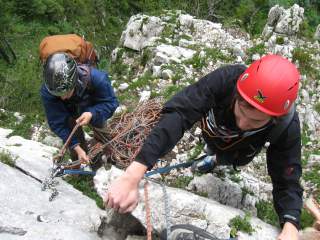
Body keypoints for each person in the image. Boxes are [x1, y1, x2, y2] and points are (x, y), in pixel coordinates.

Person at [105, 54, 303, 240]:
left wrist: (291, 224)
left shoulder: (286, 127)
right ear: (237, 92)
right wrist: (132, 175)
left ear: (275, 118)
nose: (242, 123)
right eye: (241, 111)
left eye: (254, 121)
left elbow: (287, 177)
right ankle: (212, 155)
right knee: (213, 146)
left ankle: (216, 159)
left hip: (241, 151)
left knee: (231, 158)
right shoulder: (225, 80)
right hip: (213, 132)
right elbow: (179, 115)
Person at [40, 52, 118, 166]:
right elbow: (57, 123)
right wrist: (76, 147)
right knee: (74, 143)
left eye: (66, 92)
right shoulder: (49, 90)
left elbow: (111, 103)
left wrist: (92, 113)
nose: (62, 97)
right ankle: (79, 171)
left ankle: (110, 157)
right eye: (58, 94)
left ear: (75, 81)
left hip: (93, 106)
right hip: (69, 113)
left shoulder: (98, 79)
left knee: (102, 133)